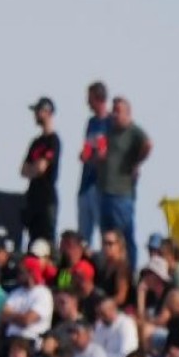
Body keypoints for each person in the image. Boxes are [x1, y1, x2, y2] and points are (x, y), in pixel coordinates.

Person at [97, 96, 151, 271]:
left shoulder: (134, 131)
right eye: (113, 110)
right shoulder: (109, 130)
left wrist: (136, 162)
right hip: (104, 190)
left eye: (118, 111)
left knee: (123, 236)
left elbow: (148, 144)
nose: (114, 114)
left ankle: (128, 271)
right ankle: (109, 270)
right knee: (107, 236)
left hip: (122, 192)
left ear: (127, 113)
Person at [20, 97, 61, 251]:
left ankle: (57, 276)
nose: (35, 115)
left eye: (38, 111)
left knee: (48, 243)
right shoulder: (36, 142)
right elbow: (23, 170)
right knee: (33, 244)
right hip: (33, 198)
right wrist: (34, 168)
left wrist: (34, 168)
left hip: (47, 199)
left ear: (47, 112)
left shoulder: (53, 140)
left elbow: (41, 168)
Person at [75, 81, 110, 247]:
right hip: (85, 185)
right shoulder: (91, 122)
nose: (87, 102)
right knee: (82, 238)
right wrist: (85, 155)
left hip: (101, 186)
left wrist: (94, 156)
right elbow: (88, 149)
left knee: (105, 234)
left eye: (89, 98)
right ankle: (69, 274)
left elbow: (105, 154)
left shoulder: (110, 123)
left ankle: (100, 272)